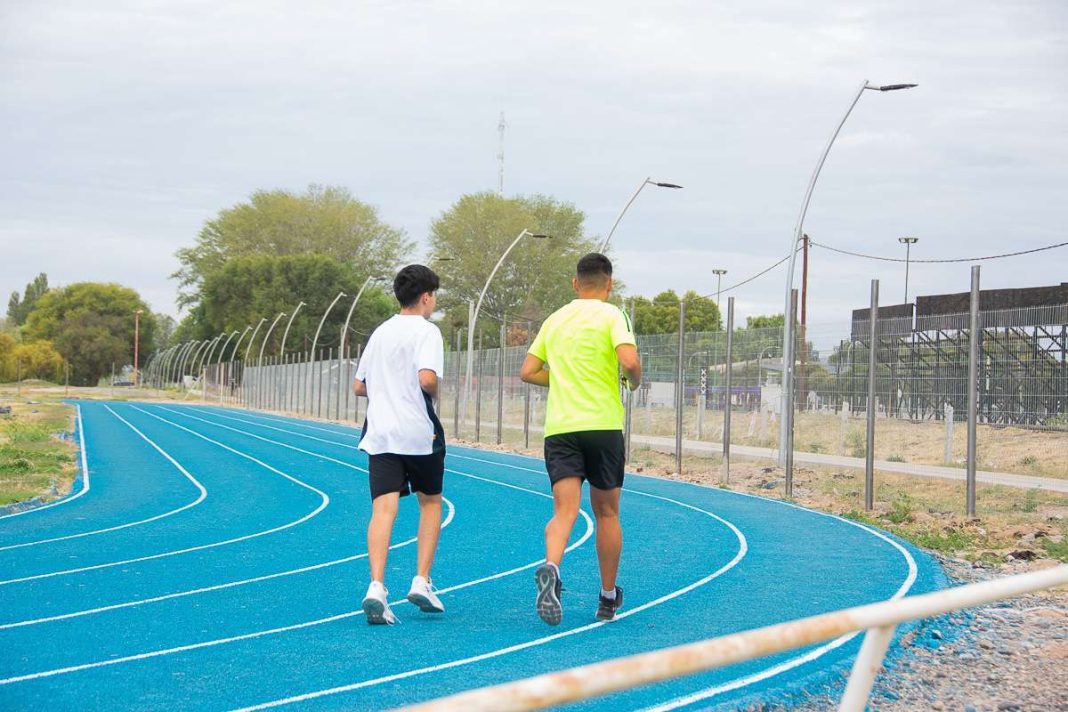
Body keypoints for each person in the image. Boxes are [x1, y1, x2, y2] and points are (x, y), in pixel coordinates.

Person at [520, 253, 641, 625]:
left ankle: (552, 568)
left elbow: (528, 371)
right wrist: (631, 382)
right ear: (610, 284)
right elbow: (629, 361)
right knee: (606, 512)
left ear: (575, 283)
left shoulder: (554, 320)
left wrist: (562, 379)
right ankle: (607, 598)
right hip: (602, 426)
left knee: (564, 511)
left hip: (561, 428)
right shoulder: (613, 315)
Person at [353, 264, 447, 625]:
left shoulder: (380, 332)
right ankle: (421, 580)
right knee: (431, 503)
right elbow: (426, 379)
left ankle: (376, 586)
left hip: (381, 432)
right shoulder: (427, 332)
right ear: (426, 297)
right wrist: (437, 390)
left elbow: (359, 386)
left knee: (383, 510)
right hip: (418, 433)